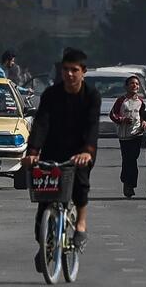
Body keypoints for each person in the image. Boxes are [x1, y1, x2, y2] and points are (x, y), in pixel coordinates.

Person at [22, 48, 100, 271]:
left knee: (81, 184)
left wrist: (87, 151)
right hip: (53, 150)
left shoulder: (91, 96)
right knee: (44, 200)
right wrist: (33, 152)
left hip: (80, 151)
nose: (70, 74)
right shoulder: (51, 95)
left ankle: (81, 224)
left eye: (74, 70)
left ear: (83, 72)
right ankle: (44, 243)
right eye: (66, 69)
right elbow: (41, 124)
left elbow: (92, 125)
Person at [109, 76, 146, 198]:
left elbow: (143, 116)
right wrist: (123, 120)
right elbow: (112, 115)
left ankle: (130, 185)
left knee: (133, 159)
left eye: (137, 84)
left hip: (137, 134)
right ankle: (127, 183)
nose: (135, 86)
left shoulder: (141, 102)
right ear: (126, 86)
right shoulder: (121, 101)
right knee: (128, 160)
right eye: (132, 83)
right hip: (124, 136)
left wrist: (144, 123)